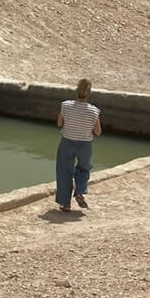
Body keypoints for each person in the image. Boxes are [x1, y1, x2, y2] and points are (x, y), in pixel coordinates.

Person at [55, 78, 102, 212]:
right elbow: (98, 132)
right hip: (85, 145)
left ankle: (65, 204)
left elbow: (59, 124)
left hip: (67, 142)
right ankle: (80, 191)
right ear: (89, 93)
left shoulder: (66, 105)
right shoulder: (94, 111)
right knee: (84, 168)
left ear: (76, 91)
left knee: (64, 172)